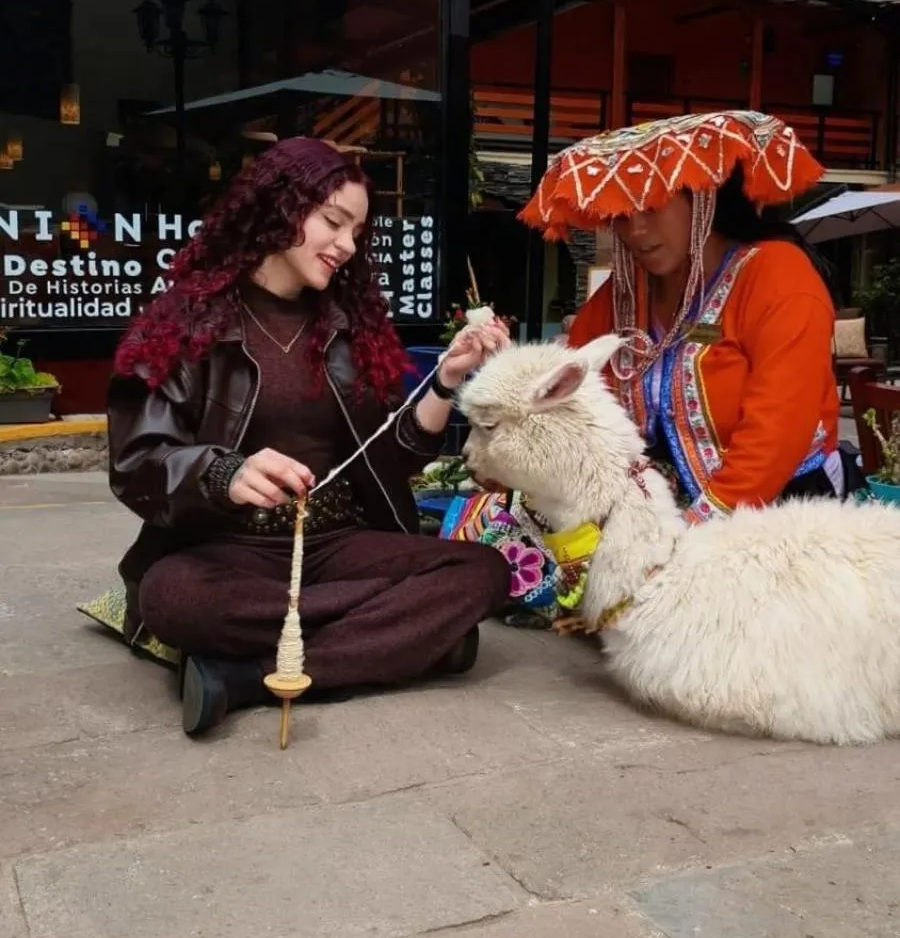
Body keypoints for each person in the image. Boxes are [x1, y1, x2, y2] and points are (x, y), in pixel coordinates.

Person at [107, 136, 510, 737]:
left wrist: (445, 383)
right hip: (223, 547)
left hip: (337, 540)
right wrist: (225, 472)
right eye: (333, 222)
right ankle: (401, 640)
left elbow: (387, 457)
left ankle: (243, 678)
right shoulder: (187, 322)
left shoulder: (350, 328)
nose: (347, 246)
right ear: (279, 208)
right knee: (174, 597)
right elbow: (137, 462)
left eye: (356, 232)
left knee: (483, 572)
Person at [533, 112, 845, 521]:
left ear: (702, 194)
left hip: (780, 509)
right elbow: (571, 396)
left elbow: (777, 432)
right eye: (621, 216)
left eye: (653, 206)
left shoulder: (778, 276)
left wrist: (694, 530)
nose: (637, 231)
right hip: (653, 509)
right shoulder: (622, 294)